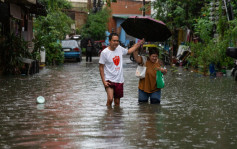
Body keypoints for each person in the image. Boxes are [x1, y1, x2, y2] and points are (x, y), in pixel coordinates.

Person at [99, 33, 145, 106]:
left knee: (117, 103)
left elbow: (129, 51)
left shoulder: (119, 48)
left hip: (119, 80)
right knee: (110, 99)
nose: (116, 43)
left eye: (117, 41)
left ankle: (116, 116)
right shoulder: (104, 53)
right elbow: (101, 67)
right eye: (114, 41)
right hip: (109, 79)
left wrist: (139, 44)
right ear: (109, 41)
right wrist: (104, 81)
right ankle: (108, 116)